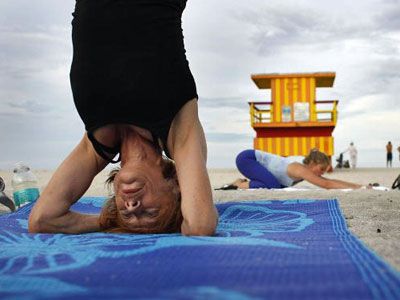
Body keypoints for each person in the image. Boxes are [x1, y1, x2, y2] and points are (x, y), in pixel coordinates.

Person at [28, 0, 218, 236]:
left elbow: (43, 220)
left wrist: (114, 222)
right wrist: (128, 222)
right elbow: (200, 225)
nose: (131, 206)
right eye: (150, 212)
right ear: (176, 188)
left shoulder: (97, 145)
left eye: (127, 214)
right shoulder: (179, 131)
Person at [220, 149, 366, 190]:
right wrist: (359, 187)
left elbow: (329, 181)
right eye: (321, 169)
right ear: (313, 162)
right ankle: (238, 184)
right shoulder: (299, 169)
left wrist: (358, 186)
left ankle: (243, 182)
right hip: (248, 158)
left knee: (276, 185)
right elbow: (327, 185)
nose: (322, 173)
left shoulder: (304, 171)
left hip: (254, 162)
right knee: (273, 186)